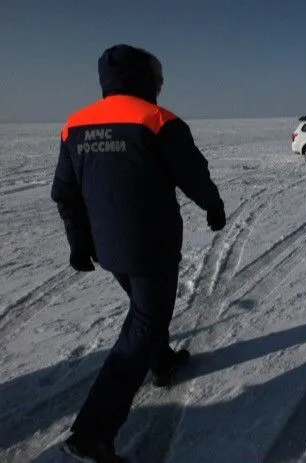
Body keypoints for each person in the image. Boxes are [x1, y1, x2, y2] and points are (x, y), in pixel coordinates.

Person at [50, 44, 226, 462]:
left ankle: (162, 361)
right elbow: (194, 174)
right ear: (148, 78)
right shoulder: (157, 120)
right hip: (153, 246)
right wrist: (214, 206)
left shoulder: (74, 125)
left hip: (108, 249)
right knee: (145, 322)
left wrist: (78, 243)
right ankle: (92, 432)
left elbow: (64, 193)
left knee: (145, 309)